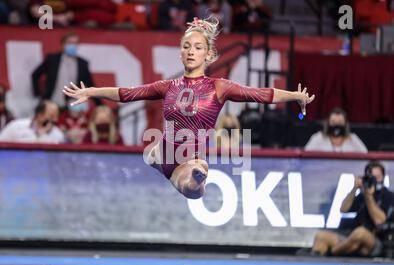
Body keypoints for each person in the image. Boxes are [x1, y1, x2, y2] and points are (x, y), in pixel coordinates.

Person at [63, 16, 315, 199]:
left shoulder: (220, 87)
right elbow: (128, 93)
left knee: (194, 187)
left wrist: (294, 95)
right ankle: (158, 158)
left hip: (188, 161)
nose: (191, 52)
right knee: (158, 156)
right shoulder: (167, 86)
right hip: (165, 154)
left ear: (208, 54)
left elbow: (259, 94)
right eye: (186, 47)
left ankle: (198, 176)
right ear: (181, 54)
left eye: (197, 47)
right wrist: (91, 91)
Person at [310, 161, 394, 257]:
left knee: (360, 233)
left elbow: (379, 221)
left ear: (383, 177)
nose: (375, 180)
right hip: (351, 239)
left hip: (375, 240)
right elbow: (343, 209)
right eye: (372, 177)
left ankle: (332, 253)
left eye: (377, 177)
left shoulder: (389, 196)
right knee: (321, 236)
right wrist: (354, 188)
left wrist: (369, 196)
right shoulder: (362, 195)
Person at [32, 32, 97, 110]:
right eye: (70, 43)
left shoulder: (83, 63)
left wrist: (100, 104)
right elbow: (35, 75)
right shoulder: (52, 59)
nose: (73, 46)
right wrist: (38, 95)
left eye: (75, 43)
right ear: (63, 44)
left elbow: (90, 84)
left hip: (72, 105)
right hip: (51, 103)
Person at [0, 100, 64, 144]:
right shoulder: (16, 126)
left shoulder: (58, 135)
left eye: (56, 116)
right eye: (52, 116)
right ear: (40, 115)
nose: (55, 120)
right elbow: (2, 144)